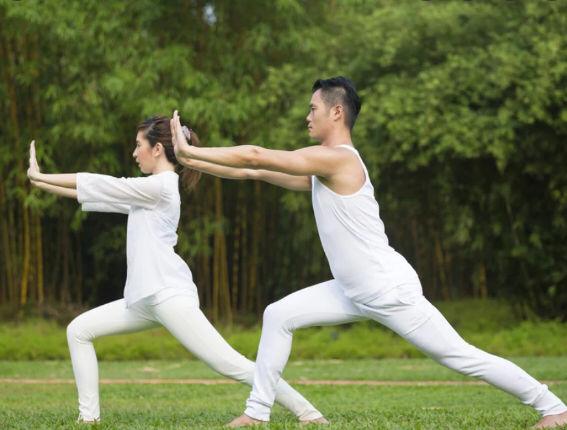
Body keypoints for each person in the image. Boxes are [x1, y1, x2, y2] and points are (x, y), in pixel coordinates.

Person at [169, 77, 567, 429]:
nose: (307, 117)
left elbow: (256, 155)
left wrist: (190, 149)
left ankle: (553, 407)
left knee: (461, 357)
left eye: (313, 109)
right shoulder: (323, 172)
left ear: (336, 111)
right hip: (350, 289)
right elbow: (252, 171)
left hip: (386, 288)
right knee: (279, 314)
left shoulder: (338, 160)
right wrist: (189, 158)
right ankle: (257, 412)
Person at [26, 116, 325, 425]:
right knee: (79, 330)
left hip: (168, 296)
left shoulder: (162, 186)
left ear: (157, 149)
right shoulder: (147, 192)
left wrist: (44, 174)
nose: (134, 152)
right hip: (143, 299)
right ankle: (88, 419)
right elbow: (95, 193)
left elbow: (103, 184)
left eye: (138, 145)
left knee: (230, 363)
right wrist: (40, 181)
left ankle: (308, 412)